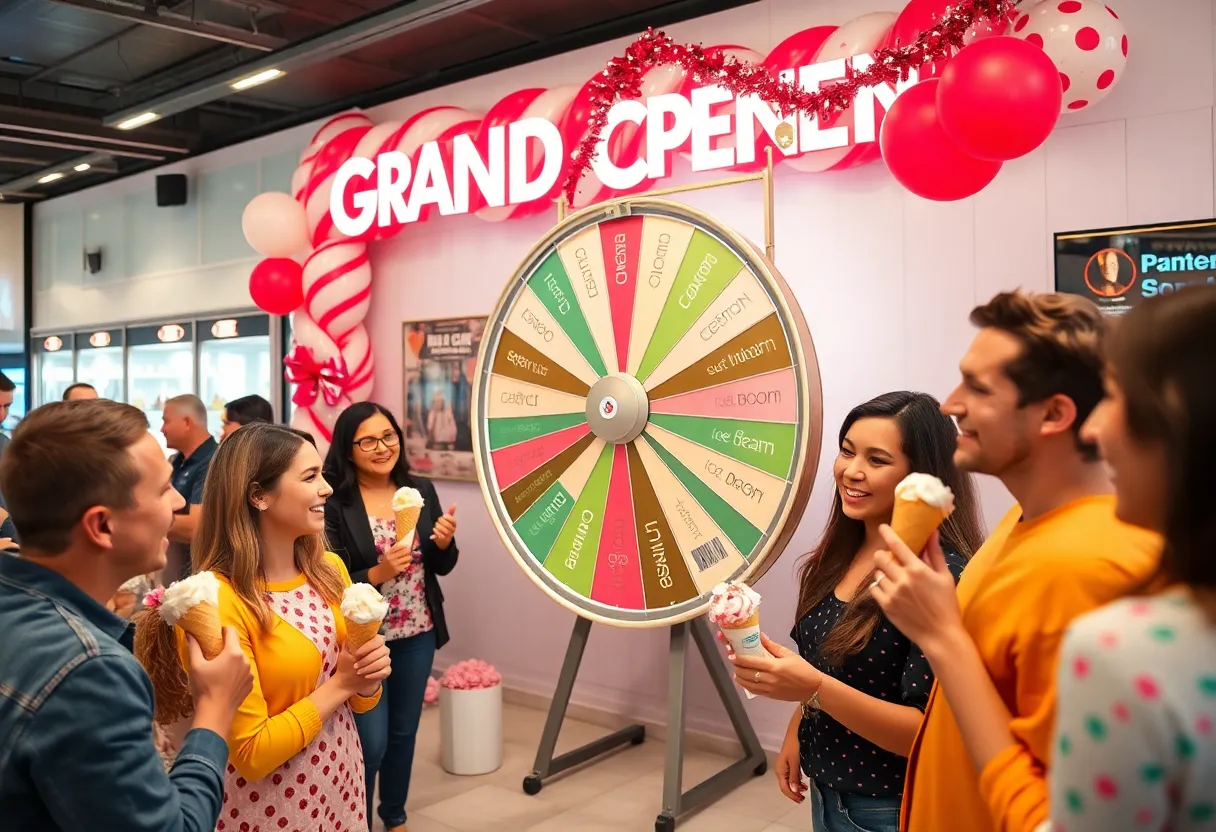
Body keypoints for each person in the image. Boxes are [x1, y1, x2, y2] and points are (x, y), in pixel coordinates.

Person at [868, 291, 1162, 832]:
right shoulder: (1021, 521)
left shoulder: (1093, 567)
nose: (950, 405)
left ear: (1054, 414)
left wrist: (940, 637)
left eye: (978, 389)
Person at [728, 392, 985, 832]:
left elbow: (926, 733)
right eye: (847, 451)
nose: (852, 471)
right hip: (829, 795)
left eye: (878, 459)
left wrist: (812, 689)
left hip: (891, 807)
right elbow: (831, 667)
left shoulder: (940, 578)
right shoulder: (839, 553)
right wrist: (799, 723)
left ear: (920, 478)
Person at [0, 399, 253, 831]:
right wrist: (214, 710)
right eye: (161, 490)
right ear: (101, 526)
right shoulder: (90, 673)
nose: (177, 502)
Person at [138, 423, 392, 831]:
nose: (327, 488)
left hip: (341, 779)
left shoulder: (330, 569)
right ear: (258, 495)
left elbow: (358, 701)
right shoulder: (217, 600)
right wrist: (343, 684)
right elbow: (252, 754)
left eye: (322, 474)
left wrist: (366, 680)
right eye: (310, 477)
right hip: (270, 806)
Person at [1050, 286, 1216, 831]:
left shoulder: (1122, 649)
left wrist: (946, 646)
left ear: (1179, 417)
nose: (1095, 429)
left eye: (1116, 395)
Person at [324, 402, 458, 832]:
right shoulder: (335, 501)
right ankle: (355, 820)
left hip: (417, 628)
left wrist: (443, 543)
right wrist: (379, 572)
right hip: (366, 639)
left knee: (404, 733)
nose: (382, 448)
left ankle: (394, 816)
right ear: (348, 449)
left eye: (389, 437)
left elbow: (440, 566)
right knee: (370, 742)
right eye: (368, 441)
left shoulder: (418, 490)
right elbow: (331, 573)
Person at [161, 395, 217, 582]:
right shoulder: (175, 461)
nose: (162, 429)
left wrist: (141, 521)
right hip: (173, 577)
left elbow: (196, 527)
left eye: (166, 421)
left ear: (187, 422)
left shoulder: (213, 461)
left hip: (198, 580)